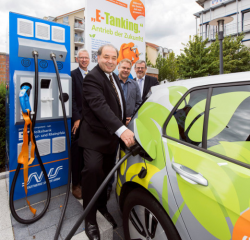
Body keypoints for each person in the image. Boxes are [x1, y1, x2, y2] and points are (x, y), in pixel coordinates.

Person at [78, 44, 135, 240]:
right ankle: (90, 219)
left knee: (106, 178)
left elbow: (117, 105)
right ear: (98, 57)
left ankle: (102, 207)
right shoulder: (92, 78)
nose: (110, 61)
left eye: (113, 58)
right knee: (93, 172)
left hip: (111, 139)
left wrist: (125, 121)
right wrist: (122, 130)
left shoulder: (114, 78)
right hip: (94, 138)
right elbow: (100, 106)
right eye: (106, 57)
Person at [106, 58, 142, 200]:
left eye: (128, 68)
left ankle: (125, 185)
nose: (126, 70)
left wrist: (131, 117)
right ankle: (109, 186)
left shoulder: (134, 85)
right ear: (118, 67)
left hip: (129, 127)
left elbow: (139, 103)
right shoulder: (111, 83)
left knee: (127, 157)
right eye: (123, 68)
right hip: (115, 127)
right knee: (111, 158)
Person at [71, 49, 90, 199]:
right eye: (81, 57)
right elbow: (71, 100)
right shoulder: (73, 75)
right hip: (78, 122)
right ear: (77, 59)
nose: (84, 60)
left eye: (86, 58)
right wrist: (77, 118)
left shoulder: (92, 76)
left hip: (91, 122)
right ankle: (75, 185)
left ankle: (84, 183)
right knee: (77, 154)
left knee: (87, 153)